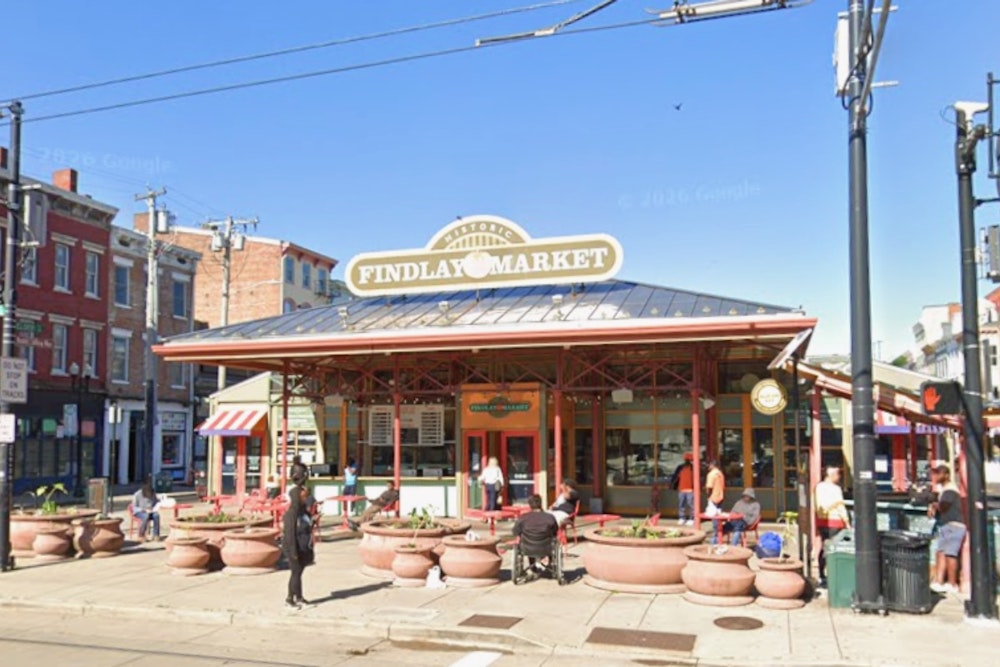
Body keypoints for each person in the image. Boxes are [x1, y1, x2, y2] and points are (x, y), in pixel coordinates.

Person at [929, 465, 966, 594]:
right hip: (946, 525)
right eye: (935, 473)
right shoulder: (944, 489)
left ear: (946, 475)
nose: (935, 476)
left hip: (954, 525)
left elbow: (944, 507)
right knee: (941, 553)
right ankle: (939, 582)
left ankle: (952, 584)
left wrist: (933, 505)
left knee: (950, 554)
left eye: (938, 474)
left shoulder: (950, 489)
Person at [815, 466, 851, 585]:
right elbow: (840, 506)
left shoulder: (818, 487)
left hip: (822, 521)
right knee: (835, 547)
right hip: (835, 521)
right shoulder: (835, 489)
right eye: (837, 474)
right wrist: (847, 522)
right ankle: (834, 573)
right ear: (831, 475)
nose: (839, 476)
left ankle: (821, 573)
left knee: (825, 546)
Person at [512, 494, 559, 576]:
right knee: (552, 539)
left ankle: (532, 566)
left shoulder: (523, 518)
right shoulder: (550, 517)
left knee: (528, 539)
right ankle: (551, 564)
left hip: (527, 548)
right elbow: (555, 531)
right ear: (541, 504)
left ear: (529, 505)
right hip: (547, 548)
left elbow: (515, 532)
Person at [282, 481, 311, 609]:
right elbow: (289, 535)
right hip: (294, 548)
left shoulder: (303, 512)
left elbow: (306, 527)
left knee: (298, 574)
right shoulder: (291, 514)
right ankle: (289, 599)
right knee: (295, 573)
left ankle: (299, 597)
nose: (306, 499)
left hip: (304, 547)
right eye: (304, 497)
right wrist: (293, 553)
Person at [132, 477, 161, 542]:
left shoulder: (153, 494)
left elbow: (156, 502)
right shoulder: (137, 494)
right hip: (140, 512)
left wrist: (156, 506)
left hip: (151, 511)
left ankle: (156, 534)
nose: (149, 496)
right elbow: (134, 507)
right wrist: (143, 510)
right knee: (145, 516)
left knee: (156, 516)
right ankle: (141, 535)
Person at [670, 453, 695, 526]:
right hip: (682, 489)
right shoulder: (680, 467)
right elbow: (675, 477)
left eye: (689, 460)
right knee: (682, 504)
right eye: (687, 460)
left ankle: (692, 518)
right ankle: (682, 518)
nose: (688, 461)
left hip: (690, 489)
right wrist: (673, 485)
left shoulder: (693, 468)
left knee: (691, 505)